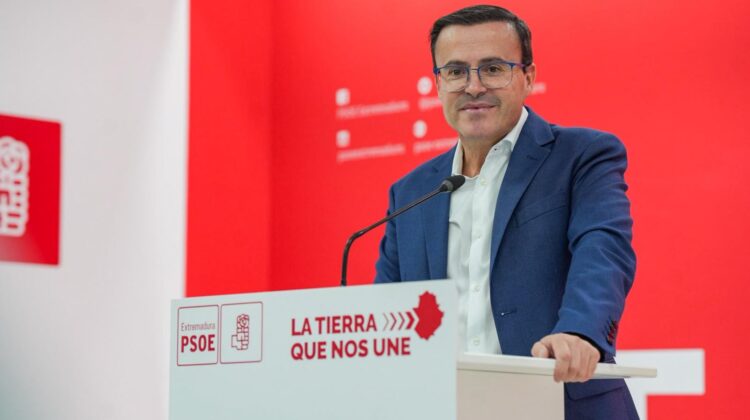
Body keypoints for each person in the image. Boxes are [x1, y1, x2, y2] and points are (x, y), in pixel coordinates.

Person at [374, 5, 638, 419]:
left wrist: (580, 332)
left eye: (493, 69)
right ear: (438, 84)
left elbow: (602, 248)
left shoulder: (582, 156)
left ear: (528, 76)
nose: (473, 86)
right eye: (456, 71)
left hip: (560, 400)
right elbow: (386, 310)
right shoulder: (410, 192)